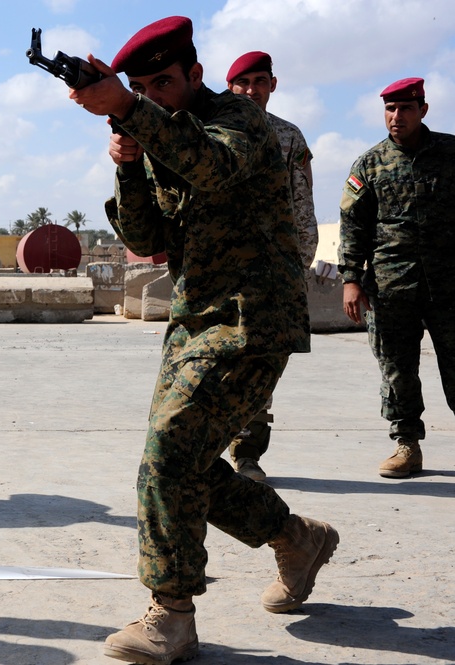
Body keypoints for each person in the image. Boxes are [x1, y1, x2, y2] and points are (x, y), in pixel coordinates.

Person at [69, 16, 338, 664]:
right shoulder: (156, 134)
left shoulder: (238, 121)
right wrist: (128, 163)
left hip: (253, 318)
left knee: (167, 453)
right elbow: (144, 236)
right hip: (193, 318)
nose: (156, 96)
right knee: (182, 464)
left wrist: (133, 111)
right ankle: (294, 537)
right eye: (144, 87)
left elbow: (213, 168)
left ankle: (171, 614)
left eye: (165, 82)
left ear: (194, 74)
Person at [338, 77, 455, 479]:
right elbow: (353, 225)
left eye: (405, 108)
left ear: (423, 109)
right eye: (390, 109)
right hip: (391, 288)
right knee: (397, 370)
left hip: (450, 287)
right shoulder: (370, 164)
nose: (396, 117)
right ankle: (407, 446)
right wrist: (351, 279)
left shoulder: (452, 153)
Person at [224, 50, 320, 482]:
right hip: (219, 271)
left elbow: (302, 205)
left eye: (259, 82)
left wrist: (299, 266)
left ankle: (247, 454)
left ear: (272, 85)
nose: (251, 91)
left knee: (261, 364)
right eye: (242, 83)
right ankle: (205, 449)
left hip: (272, 272)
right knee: (214, 365)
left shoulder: (289, 138)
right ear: (230, 88)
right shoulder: (210, 131)